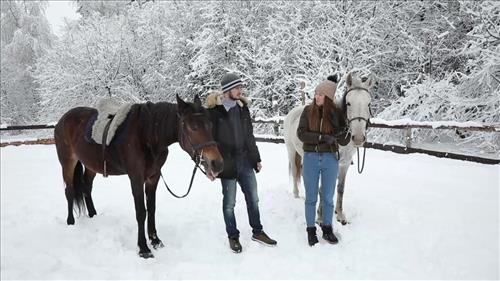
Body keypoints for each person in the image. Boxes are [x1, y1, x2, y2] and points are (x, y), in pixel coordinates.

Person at [206, 72, 277, 253]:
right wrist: (210, 168)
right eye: (237, 88)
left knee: (253, 199)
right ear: (228, 90)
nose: (240, 91)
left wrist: (256, 158)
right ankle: (233, 236)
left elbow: (249, 137)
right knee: (229, 203)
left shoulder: (242, 109)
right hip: (227, 164)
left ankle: (258, 231)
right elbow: (208, 143)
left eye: (240, 87)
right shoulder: (214, 112)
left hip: (245, 160)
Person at [296, 75, 344, 246]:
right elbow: (301, 134)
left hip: (330, 159)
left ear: (328, 97)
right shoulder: (308, 112)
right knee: (310, 197)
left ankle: (327, 228)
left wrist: (344, 131)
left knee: (328, 197)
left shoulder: (336, 114)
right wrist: (323, 137)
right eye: (316, 93)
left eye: (321, 94)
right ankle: (310, 230)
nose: (316, 96)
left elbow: (344, 140)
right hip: (310, 158)